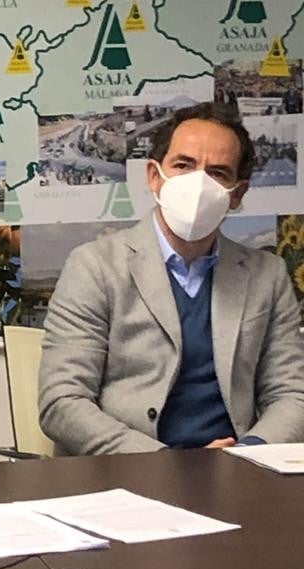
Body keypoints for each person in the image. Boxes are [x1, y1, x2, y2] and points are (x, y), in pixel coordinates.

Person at [38, 103, 304, 455]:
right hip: (127, 473)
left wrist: (249, 452)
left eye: (218, 173)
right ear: (154, 176)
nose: (198, 183)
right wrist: (165, 462)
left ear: (237, 194)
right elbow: (61, 401)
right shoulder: (94, 266)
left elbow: (292, 395)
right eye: (183, 165)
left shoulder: (266, 276)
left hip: (238, 471)